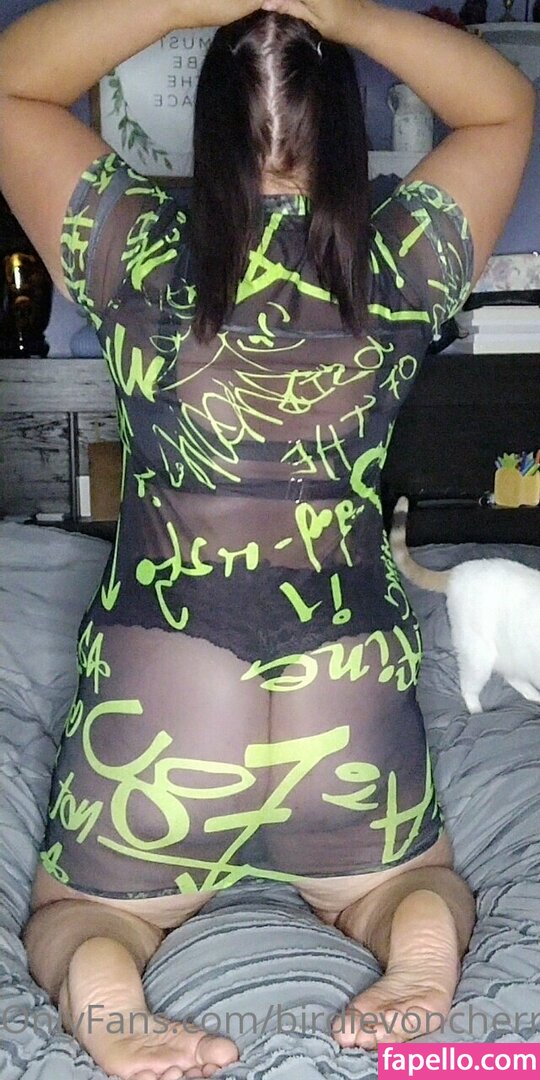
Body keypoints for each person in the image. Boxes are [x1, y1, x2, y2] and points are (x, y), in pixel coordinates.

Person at [0, 0, 534, 1076]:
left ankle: (108, 988)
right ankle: (410, 936)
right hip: (346, 690)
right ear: (344, 128)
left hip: (166, 693)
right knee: (406, 881)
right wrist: (345, 13)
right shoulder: (394, 262)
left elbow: (11, 81)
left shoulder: (138, 253)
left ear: (208, 128)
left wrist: (187, 1)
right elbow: (504, 108)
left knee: (81, 914)